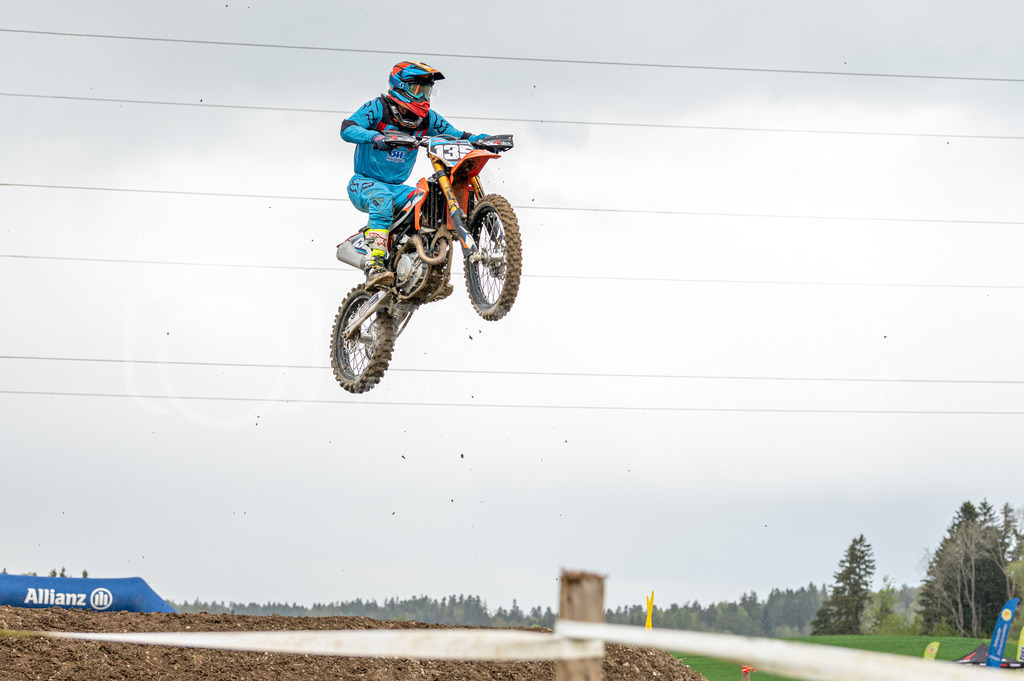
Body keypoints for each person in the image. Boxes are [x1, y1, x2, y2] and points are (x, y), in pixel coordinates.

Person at [340, 60, 493, 290]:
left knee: (430, 202)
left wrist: (483, 140)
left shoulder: (427, 118)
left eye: (426, 90)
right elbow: (347, 128)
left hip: (399, 189)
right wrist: (376, 137)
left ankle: (424, 266)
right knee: (381, 198)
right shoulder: (378, 108)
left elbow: (457, 134)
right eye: (416, 89)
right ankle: (375, 266)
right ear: (400, 86)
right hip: (364, 182)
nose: (422, 96)